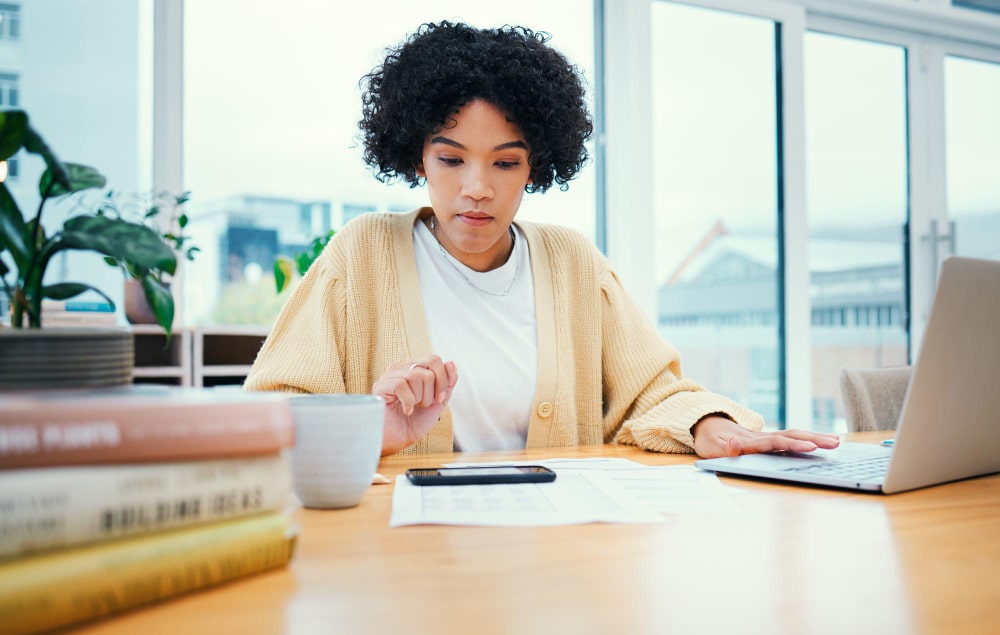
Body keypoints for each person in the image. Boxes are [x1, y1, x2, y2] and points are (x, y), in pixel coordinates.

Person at [244, 21, 839, 459]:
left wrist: (709, 424)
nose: (477, 188)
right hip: (405, 556)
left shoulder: (573, 262)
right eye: (451, 159)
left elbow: (650, 391)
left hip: (556, 551)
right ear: (418, 157)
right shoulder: (362, 253)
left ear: (536, 167)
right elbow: (273, 410)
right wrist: (368, 424)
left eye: (505, 164)